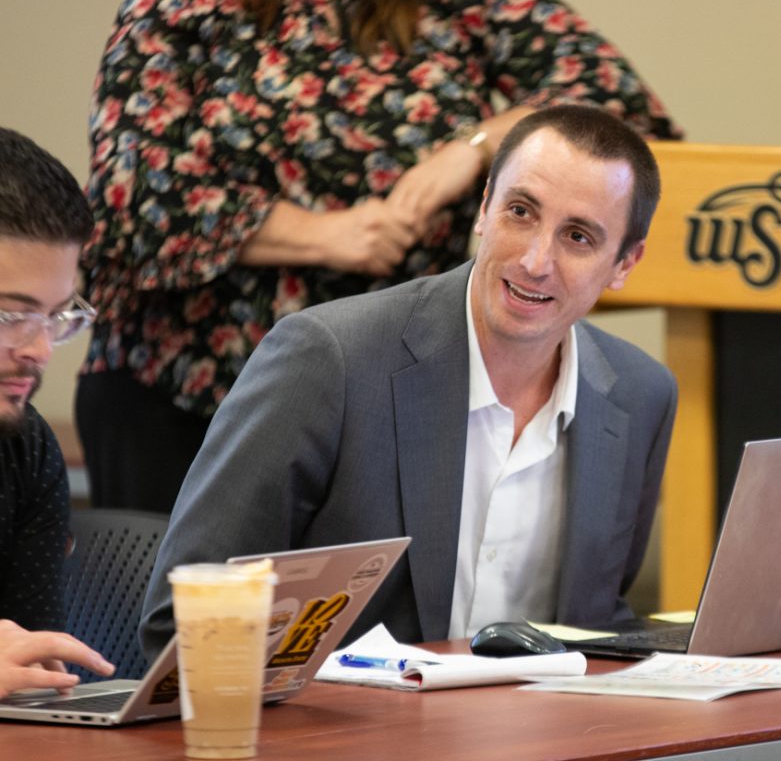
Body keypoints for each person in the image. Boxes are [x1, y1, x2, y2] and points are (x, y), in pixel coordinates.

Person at [78, 0, 682, 515]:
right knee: (190, 621)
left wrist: (473, 150)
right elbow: (129, 189)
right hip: (181, 389)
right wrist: (326, 236)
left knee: (376, 624)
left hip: (393, 391)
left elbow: (619, 112)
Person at [140, 104, 676, 658]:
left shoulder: (639, 395)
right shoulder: (331, 360)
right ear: (485, 206)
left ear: (624, 263)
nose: (536, 260)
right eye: (520, 211)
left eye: (579, 237)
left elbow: (595, 626)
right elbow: (183, 620)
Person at [0, 127, 116, 697]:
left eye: (56, 317)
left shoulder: (24, 445)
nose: (39, 350)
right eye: (9, 317)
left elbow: (35, 678)